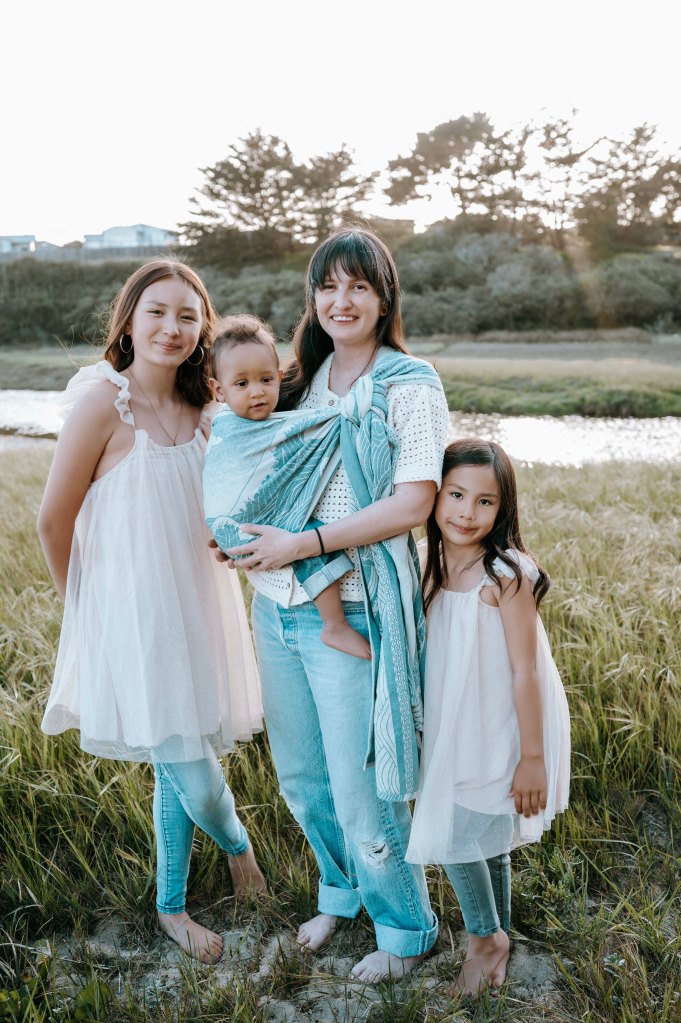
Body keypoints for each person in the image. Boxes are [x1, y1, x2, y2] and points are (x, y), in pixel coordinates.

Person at [216, 227, 450, 983]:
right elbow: (253, 466)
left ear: (384, 298)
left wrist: (305, 542)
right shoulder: (297, 381)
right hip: (276, 604)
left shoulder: (409, 382)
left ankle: (405, 928)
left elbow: (413, 502)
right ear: (311, 298)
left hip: (353, 604)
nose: (340, 301)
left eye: (358, 286)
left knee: (360, 784)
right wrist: (239, 537)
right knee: (303, 778)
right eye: (327, 286)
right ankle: (340, 894)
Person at [38, 259, 266, 965]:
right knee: (191, 768)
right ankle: (242, 851)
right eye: (157, 312)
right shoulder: (103, 405)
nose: (172, 327)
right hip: (131, 618)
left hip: (199, 605)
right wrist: (87, 614)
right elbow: (53, 520)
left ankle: (171, 906)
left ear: (203, 329)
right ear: (129, 321)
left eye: (187, 316)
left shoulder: (211, 411)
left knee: (179, 750)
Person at [406, 438, 571, 995]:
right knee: (476, 819)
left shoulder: (505, 573)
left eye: (485, 501)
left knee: (455, 824)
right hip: (453, 717)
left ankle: (484, 938)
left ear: (503, 509)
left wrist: (532, 758)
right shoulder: (425, 562)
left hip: (500, 720)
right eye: (456, 494)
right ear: (434, 494)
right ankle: (498, 930)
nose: (466, 512)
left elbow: (526, 671)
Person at [205, 313, 370, 660]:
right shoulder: (228, 426)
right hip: (240, 529)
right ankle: (334, 625)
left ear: (280, 378)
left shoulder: (275, 419)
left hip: (237, 532)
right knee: (311, 540)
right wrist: (342, 415)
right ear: (218, 390)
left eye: (266, 380)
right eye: (241, 384)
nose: (256, 392)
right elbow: (226, 479)